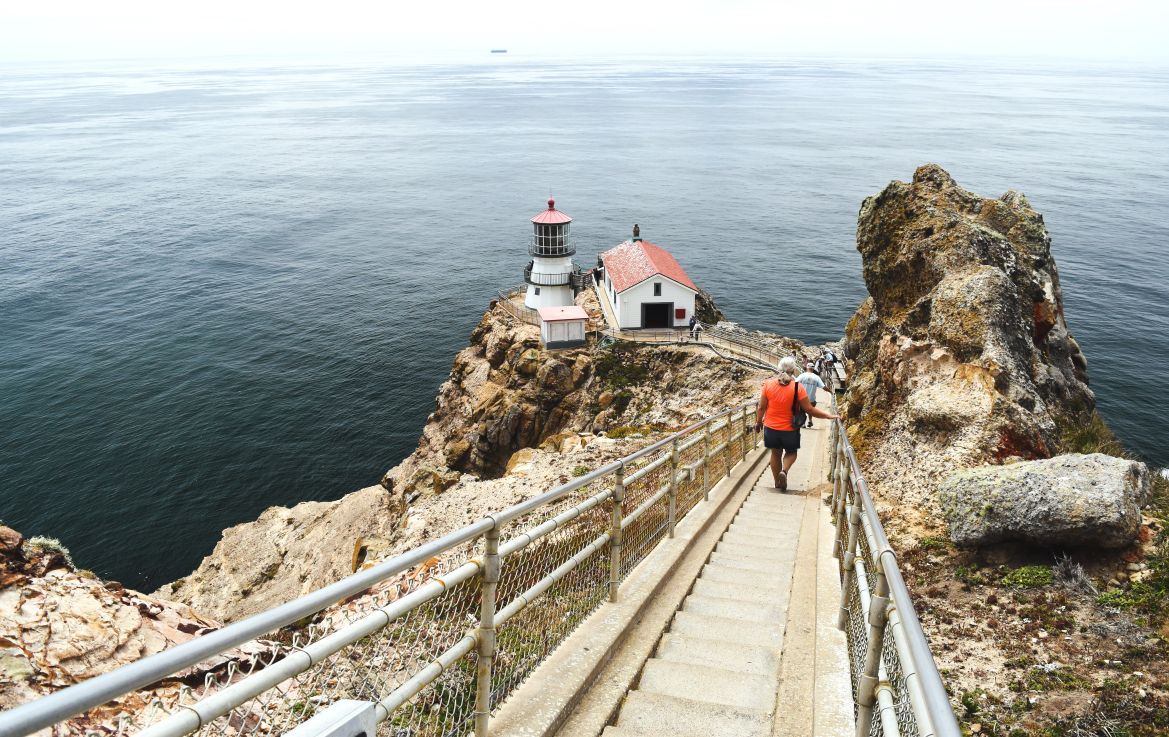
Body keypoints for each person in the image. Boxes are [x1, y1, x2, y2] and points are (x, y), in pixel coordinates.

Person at [755, 356, 841, 491]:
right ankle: (784, 471)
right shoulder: (797, 387)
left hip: (771, 427)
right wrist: (828, 416)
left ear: (779, 368)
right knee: (791, 452)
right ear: (794, 370)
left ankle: (777, 482)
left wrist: (758, 422)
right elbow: (809, 409)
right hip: (790, 428)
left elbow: (761, 407)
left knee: (775, 453)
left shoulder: (768, 385)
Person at [795, 362, 826, 428]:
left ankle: (803, 423)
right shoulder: (816, 377)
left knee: (801, 410)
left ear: (807, 367)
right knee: (810, 409)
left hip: (802, 398)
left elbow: (795, 383)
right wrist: (830, 391)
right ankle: (810, 421)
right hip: (811, 399)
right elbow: (823, 386)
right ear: (813, 368)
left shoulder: (802, 375)